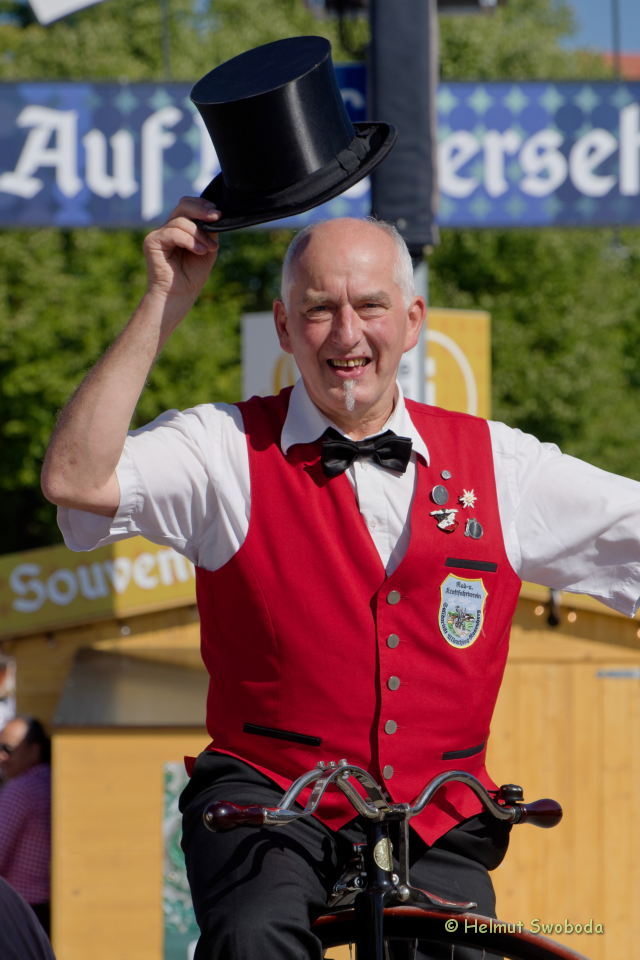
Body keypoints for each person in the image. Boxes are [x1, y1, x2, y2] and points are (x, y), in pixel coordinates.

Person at [41, 197, 640, 960]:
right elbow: (74, 477)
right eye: (320, 309)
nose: (347, 334)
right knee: (256, 937)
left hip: (437, 814)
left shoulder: (502, 465)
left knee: (462, 948)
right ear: (284, 326)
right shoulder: (222, 449)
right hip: (268, 803)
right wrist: (166, 299)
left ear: (413, 321)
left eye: (371, 306)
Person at [0, 716, 52, 935]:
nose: (1, 757)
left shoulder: (20, 789)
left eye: (8, 749)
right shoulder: (50, 780)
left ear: (33, 750)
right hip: (44, 908)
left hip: (16, 910)